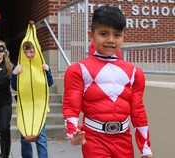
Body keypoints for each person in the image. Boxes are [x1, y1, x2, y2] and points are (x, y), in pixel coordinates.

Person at [63, 5, 153, 158]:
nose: (110, 40)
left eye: (116, 35)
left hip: (123, 139)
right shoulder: (78, 70)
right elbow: (71, 107)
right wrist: (73, 134)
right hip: (94, 139)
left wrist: (145, 148)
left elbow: (138, 112)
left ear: (124, 37)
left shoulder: (135, 73)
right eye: (103, 34)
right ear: (91, 35)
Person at [11, 41, 53, 158]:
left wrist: (48, 71)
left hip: (39, 108)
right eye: (26, 52)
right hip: (25, 108)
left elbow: (49, 84)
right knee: (25, 137)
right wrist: (14, 74)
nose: (29, 54)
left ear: (37, 51)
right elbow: (15, 87)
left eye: (31, 51)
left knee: (41, 138)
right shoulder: (19, 65)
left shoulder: (42, 64)